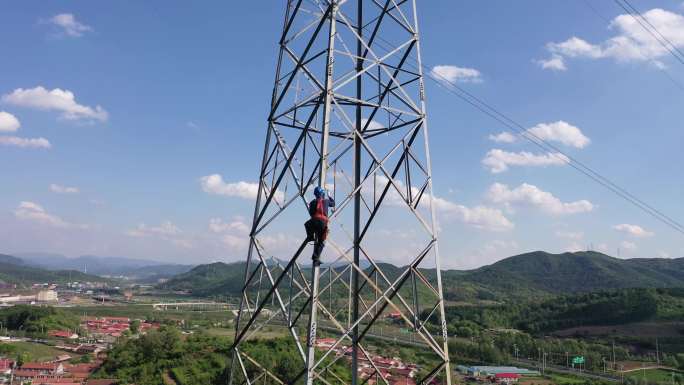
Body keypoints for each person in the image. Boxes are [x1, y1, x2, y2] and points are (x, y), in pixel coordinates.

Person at [304, 186, 335, 266]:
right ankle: (315, 258)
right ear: (322, 194)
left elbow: (311, 213)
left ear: (315, 194)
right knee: (321, 242)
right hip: (323, 223)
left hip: (314, 221)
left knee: (307, 224)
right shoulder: (326, 201)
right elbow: (333, 203)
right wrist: (330, 196)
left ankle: (310, 236)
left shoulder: (312, 202)